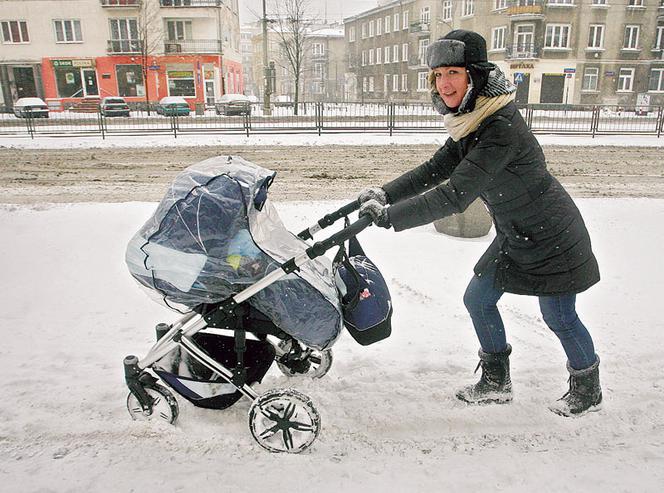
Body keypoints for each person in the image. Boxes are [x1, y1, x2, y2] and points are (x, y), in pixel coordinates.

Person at [357, 30, 602, 417]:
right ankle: (496, 382)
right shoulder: (473, 121)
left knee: (559, 316)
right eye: (437, 75)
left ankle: (587, 389)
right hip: (514, 231)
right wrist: (385, 194)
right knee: (478, 299)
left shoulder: (500, 128)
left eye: (453, 72)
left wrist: (391, 218)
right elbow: (437, 168)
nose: (444, 83)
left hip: (552, 234)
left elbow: (455, 194)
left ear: (475, 76)